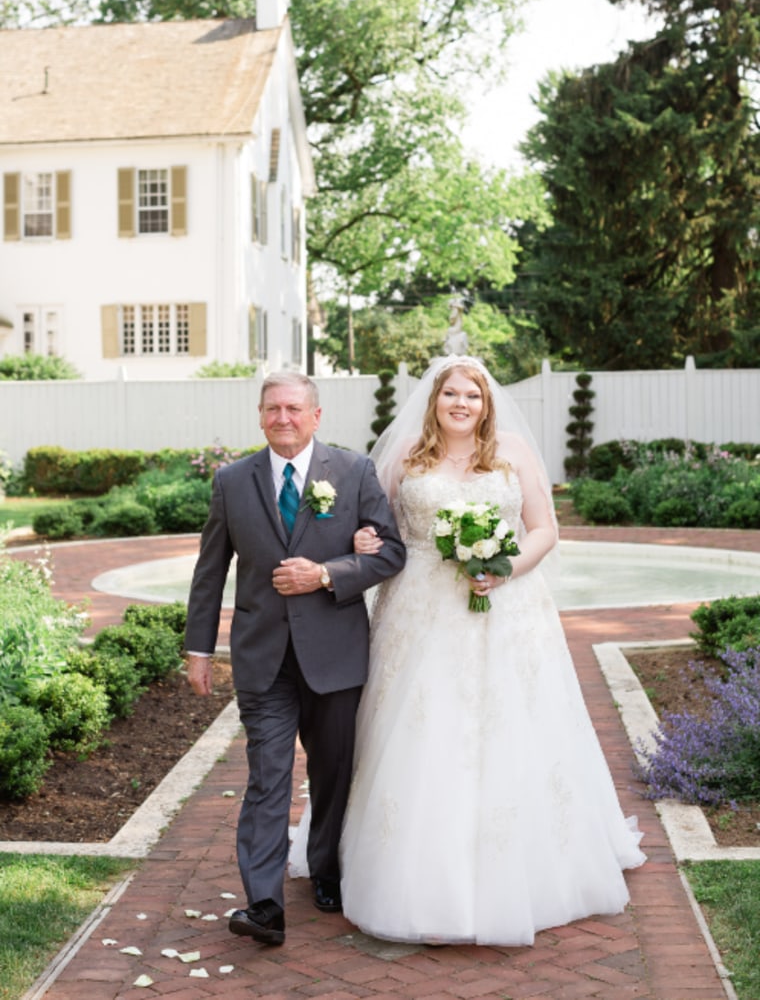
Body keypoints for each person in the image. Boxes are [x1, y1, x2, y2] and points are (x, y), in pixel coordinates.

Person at [336, 355, 646, 946]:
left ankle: (530, 865)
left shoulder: (513, 454)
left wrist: (504, 569)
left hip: (509, 610)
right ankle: (412, 868)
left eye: (471, 395)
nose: (460, 403)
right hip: (421, 611)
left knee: (511, 725)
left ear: (486, 403)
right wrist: (362, 539)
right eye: (450, 393)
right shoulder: (406, 459)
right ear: (434, 400)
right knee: (424, 730)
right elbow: (376, 531)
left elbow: (545, 530)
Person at [184, 370, 405, 947]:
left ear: (316, 415)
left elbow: (393, 553)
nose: (283, 417)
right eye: (272, 408)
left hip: (335, 655)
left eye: (293, 408)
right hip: (263, 659)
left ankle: (326, 869)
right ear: (260, 416)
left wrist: (328, 573)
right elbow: (211, 571)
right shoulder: (233, 481)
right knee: (267, 778)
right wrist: (199, 648)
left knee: (333, 773)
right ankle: (263, 904)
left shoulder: (353, 471)